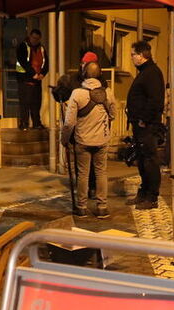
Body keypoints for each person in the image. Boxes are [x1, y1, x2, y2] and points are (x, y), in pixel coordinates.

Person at [61, 61, 116, 219]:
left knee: (83, 174)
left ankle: (82, 207)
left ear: (83, 74)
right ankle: (102, 207)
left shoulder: (77, 94)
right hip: (102, 140)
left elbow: (69, 122)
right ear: (100, 75)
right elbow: (113, 114)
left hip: (82, 140)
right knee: (101, 172)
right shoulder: (108, 92)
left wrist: (64, 139)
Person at [125, 40, 164, 210]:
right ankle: (144, 191)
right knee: (142, 160)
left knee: (149, 160)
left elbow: (155, 100)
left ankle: (152, 196)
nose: (132, 57)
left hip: (147, 126)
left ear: (142, 55)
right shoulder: (145, 72)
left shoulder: (152, 73)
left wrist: (144, 119)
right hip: (140, 125)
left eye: (133, 54)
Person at [15, 29, 47, 130]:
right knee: (25, 103)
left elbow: (46, 62)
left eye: (37, 39)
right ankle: (24, 123)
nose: (35, 40)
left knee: (36, 103)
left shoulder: (41, 48)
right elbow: (23, 61)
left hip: (37, 80)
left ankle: (36, 123)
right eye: (33, 38)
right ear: (30, 36)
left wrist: (42, 73)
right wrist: (33, 74)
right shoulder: (23, 46)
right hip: (24, 80)